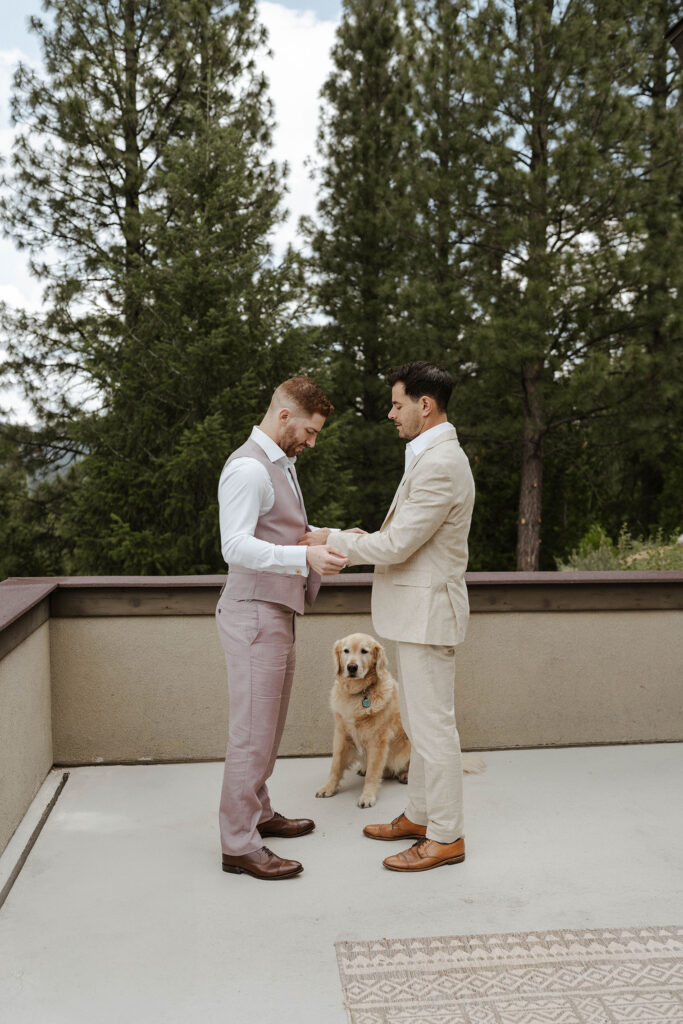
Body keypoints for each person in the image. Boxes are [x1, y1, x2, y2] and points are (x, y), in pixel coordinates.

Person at [300, 361, 475, 872]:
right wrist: (357, 536)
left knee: (434, 731)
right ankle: (419, 816)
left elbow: (397, 545)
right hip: (416, 614)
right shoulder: (429, 456)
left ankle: (445, 837)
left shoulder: (441, 463)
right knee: (419, 726)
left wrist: (332, 539)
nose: (391, 413)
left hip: (429, 616)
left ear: (426, 405)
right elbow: (406, 538)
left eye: (398, 404)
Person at [216, 377, 347, 880]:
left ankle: (259, 813)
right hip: (253, 614)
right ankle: (238, 844)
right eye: (309, 431)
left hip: (275, 613)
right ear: (284, 414)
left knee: (266, 728)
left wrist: (329, 539)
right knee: (251, 733)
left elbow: (280, 530)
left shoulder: (280, 465)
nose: (312, 442)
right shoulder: (249, 468)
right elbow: (234, 546)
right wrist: (303, 557)